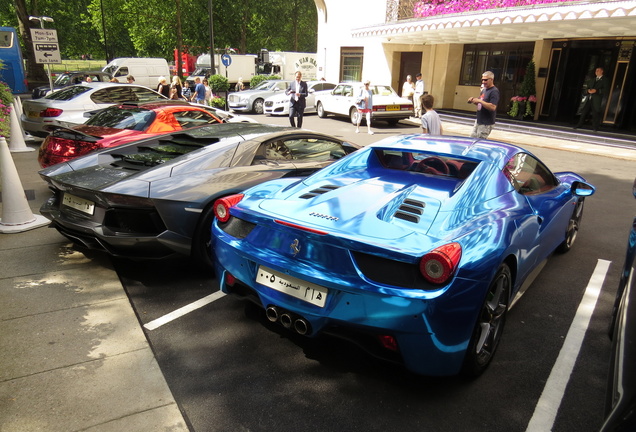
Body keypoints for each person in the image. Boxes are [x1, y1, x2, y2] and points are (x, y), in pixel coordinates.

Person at [574, 67, 610, 132]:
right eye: (596, 71)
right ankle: (579, 124)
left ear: (602, 71)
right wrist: (588, 91)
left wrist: (597, 91)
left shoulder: (605, 80)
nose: (596, 72)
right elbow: (586, 89)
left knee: (595, 113)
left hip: (597, 100)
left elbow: (606, 90)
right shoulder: (592, 80)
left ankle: (595, 127)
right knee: (584, 112)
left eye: (598, 70)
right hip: (589, 98)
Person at [468, 71, 500, 139]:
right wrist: (473, 100)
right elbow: (480, 103)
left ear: (491, 79)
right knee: (471, 140)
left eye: (485, 80)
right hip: (479, 120)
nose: (483, 81)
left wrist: (479, 101)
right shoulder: (484, 90)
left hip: (486, 123)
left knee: (479, 142)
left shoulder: (494, 91)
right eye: (482, 80)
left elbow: (493, 107)